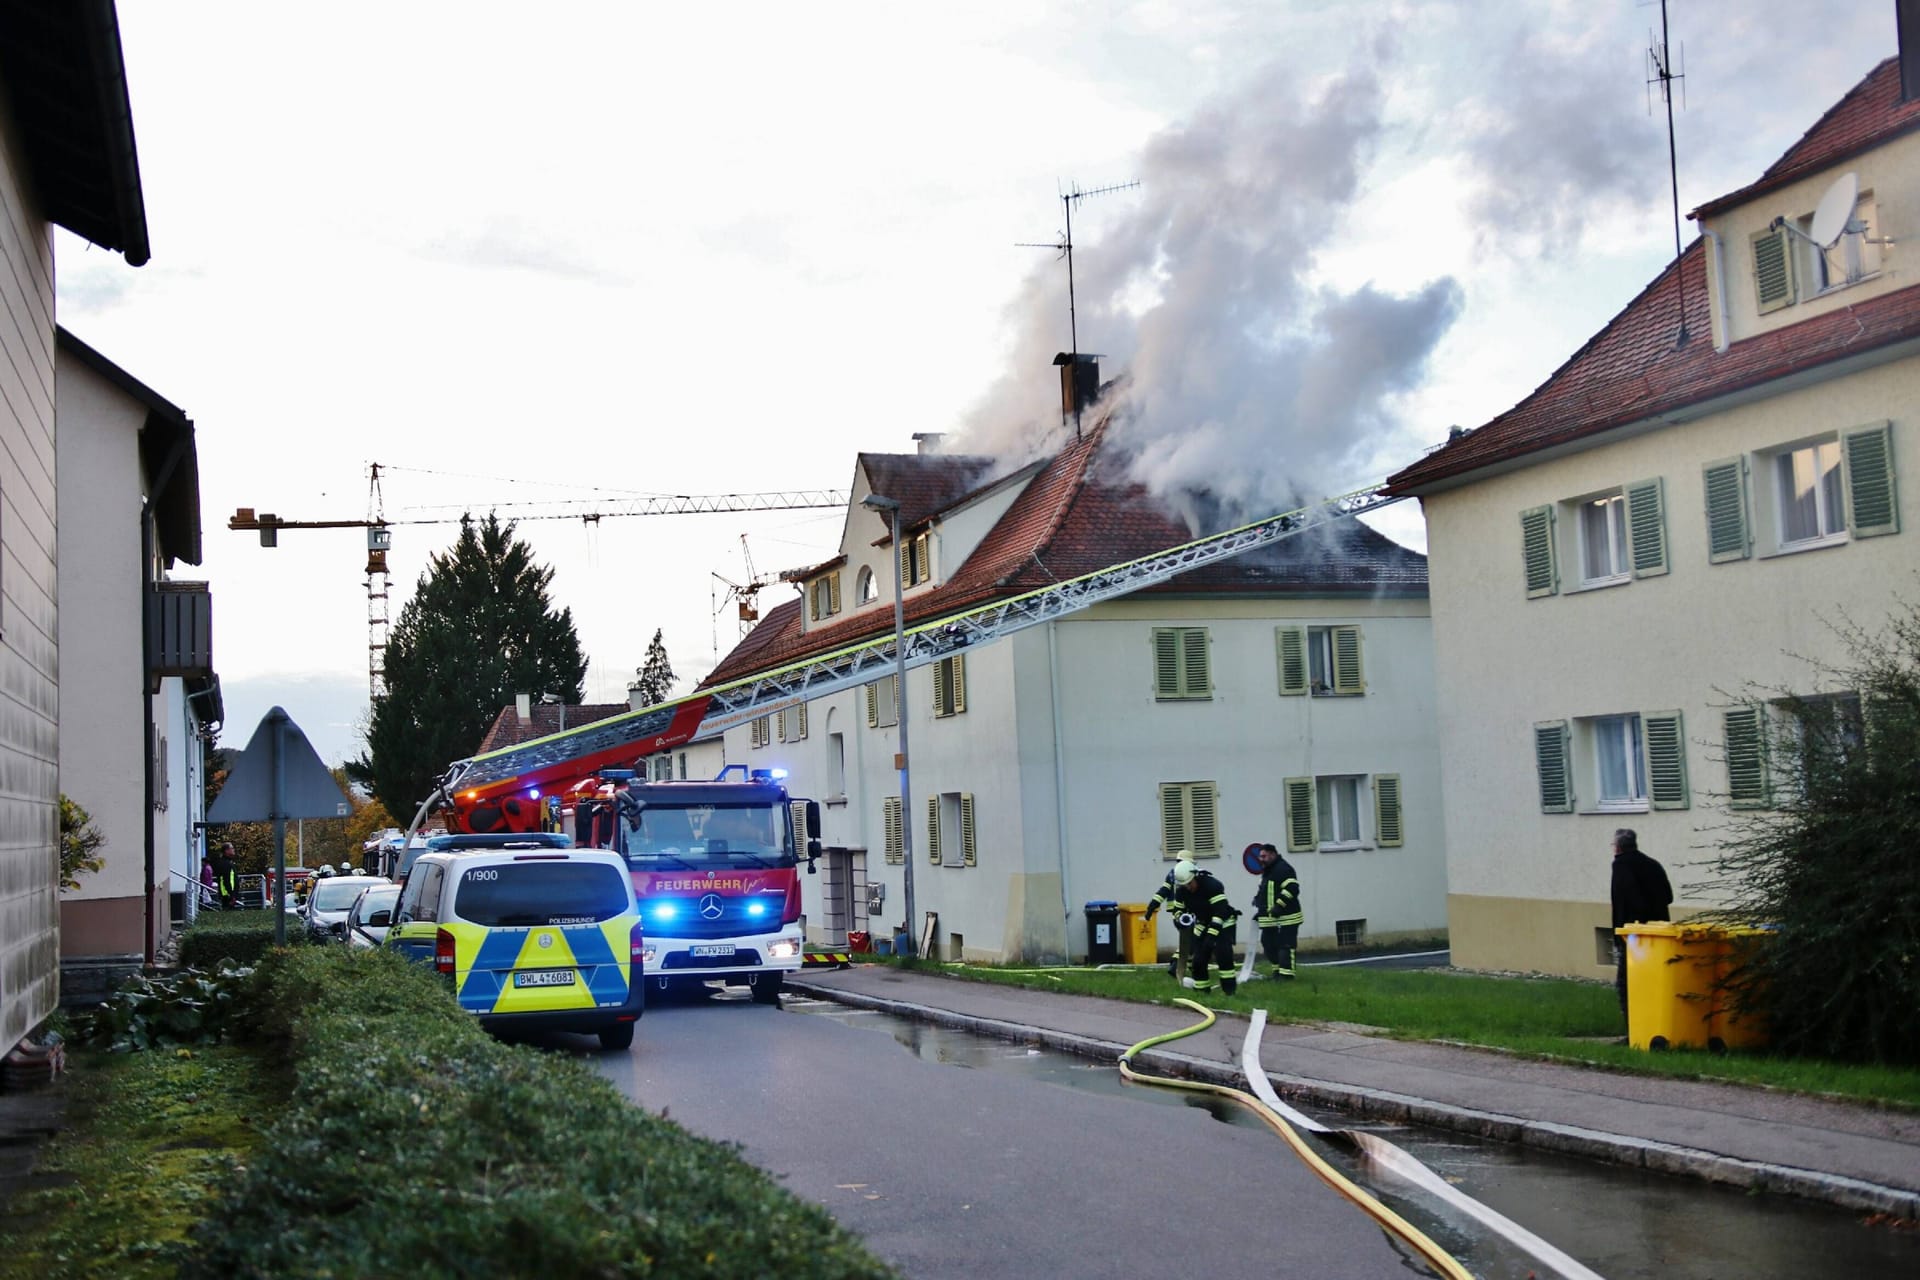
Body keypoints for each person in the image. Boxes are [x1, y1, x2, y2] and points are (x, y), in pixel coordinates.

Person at [1609, 828, 1673, 1027]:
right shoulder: (1653, 864)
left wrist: (1621, 931)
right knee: (1654, 980)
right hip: (1659, 933)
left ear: (1618, 847)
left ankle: (1634, 1029)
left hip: (1633, 935)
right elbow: (1668, 896)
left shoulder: (1621, 866)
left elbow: (1623, 901)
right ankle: (1655, 1024)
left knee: (1627, 983)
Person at [1169, 857, 1239, 996]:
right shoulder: (1182, 890)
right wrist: (1179, 919)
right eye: (1185, 885)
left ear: (1195, 876)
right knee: (1199, 960)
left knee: (1223, 956)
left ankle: (1229, 991)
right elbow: (1177, 910)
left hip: (1223, 923)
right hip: (1203, 923)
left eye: (1190, 883)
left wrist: (1211, 936)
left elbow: (1220, 911)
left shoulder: (1212, 885)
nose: (1188, 887)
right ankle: (1202, 991)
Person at [1251, 843, 1303, 979]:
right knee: (1268, 944)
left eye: (1264, 856)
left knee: (1285, 945)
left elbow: (1292, 888)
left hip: (1287, 918)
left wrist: (1279, 905)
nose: (1261, 859)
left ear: (1273, 855)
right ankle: (1277, 972)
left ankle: (1286, 976)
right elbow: (1267, 892)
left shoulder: (1283, 869)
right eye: (1260, 857)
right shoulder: (1268, 871)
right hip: (1270, 919)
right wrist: (1259, 907)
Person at [213, 843, 239, 910]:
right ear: (226, 851)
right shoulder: (225, 864)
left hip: (229, 895)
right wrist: (231, 894)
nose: (233, 850)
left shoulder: (228, 862)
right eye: (232, 848)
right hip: (227, 895)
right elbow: (226, 880)